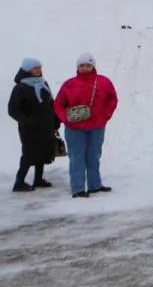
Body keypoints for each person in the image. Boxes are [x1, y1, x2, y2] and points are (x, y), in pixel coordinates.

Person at [53, 53, 118, 199]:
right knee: (77, 158)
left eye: (88, 65)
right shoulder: (69, 84)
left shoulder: (103, 82)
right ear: (77, 67)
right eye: (82, 66)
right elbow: (58, 104)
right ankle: (77, 188)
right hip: (75, 129)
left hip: (97, 126)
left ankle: (95, 185)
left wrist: (106, 115)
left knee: (94, 156)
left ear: (93, 66)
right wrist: (65, 119)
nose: (85, 68)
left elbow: (112, 99)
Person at [10, 57, 58, 192]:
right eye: (35, 68)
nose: (38, 70)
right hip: (30, 129)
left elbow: (50, 104)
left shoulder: (43, 83)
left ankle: (38, 179)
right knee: (29, 153)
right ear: (27, 70)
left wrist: (55, 120)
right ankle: (19, 181)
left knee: (43, 151)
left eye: (39, 68)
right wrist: (28, 122)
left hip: (46, 126)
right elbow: (13, 110)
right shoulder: (21, 87)